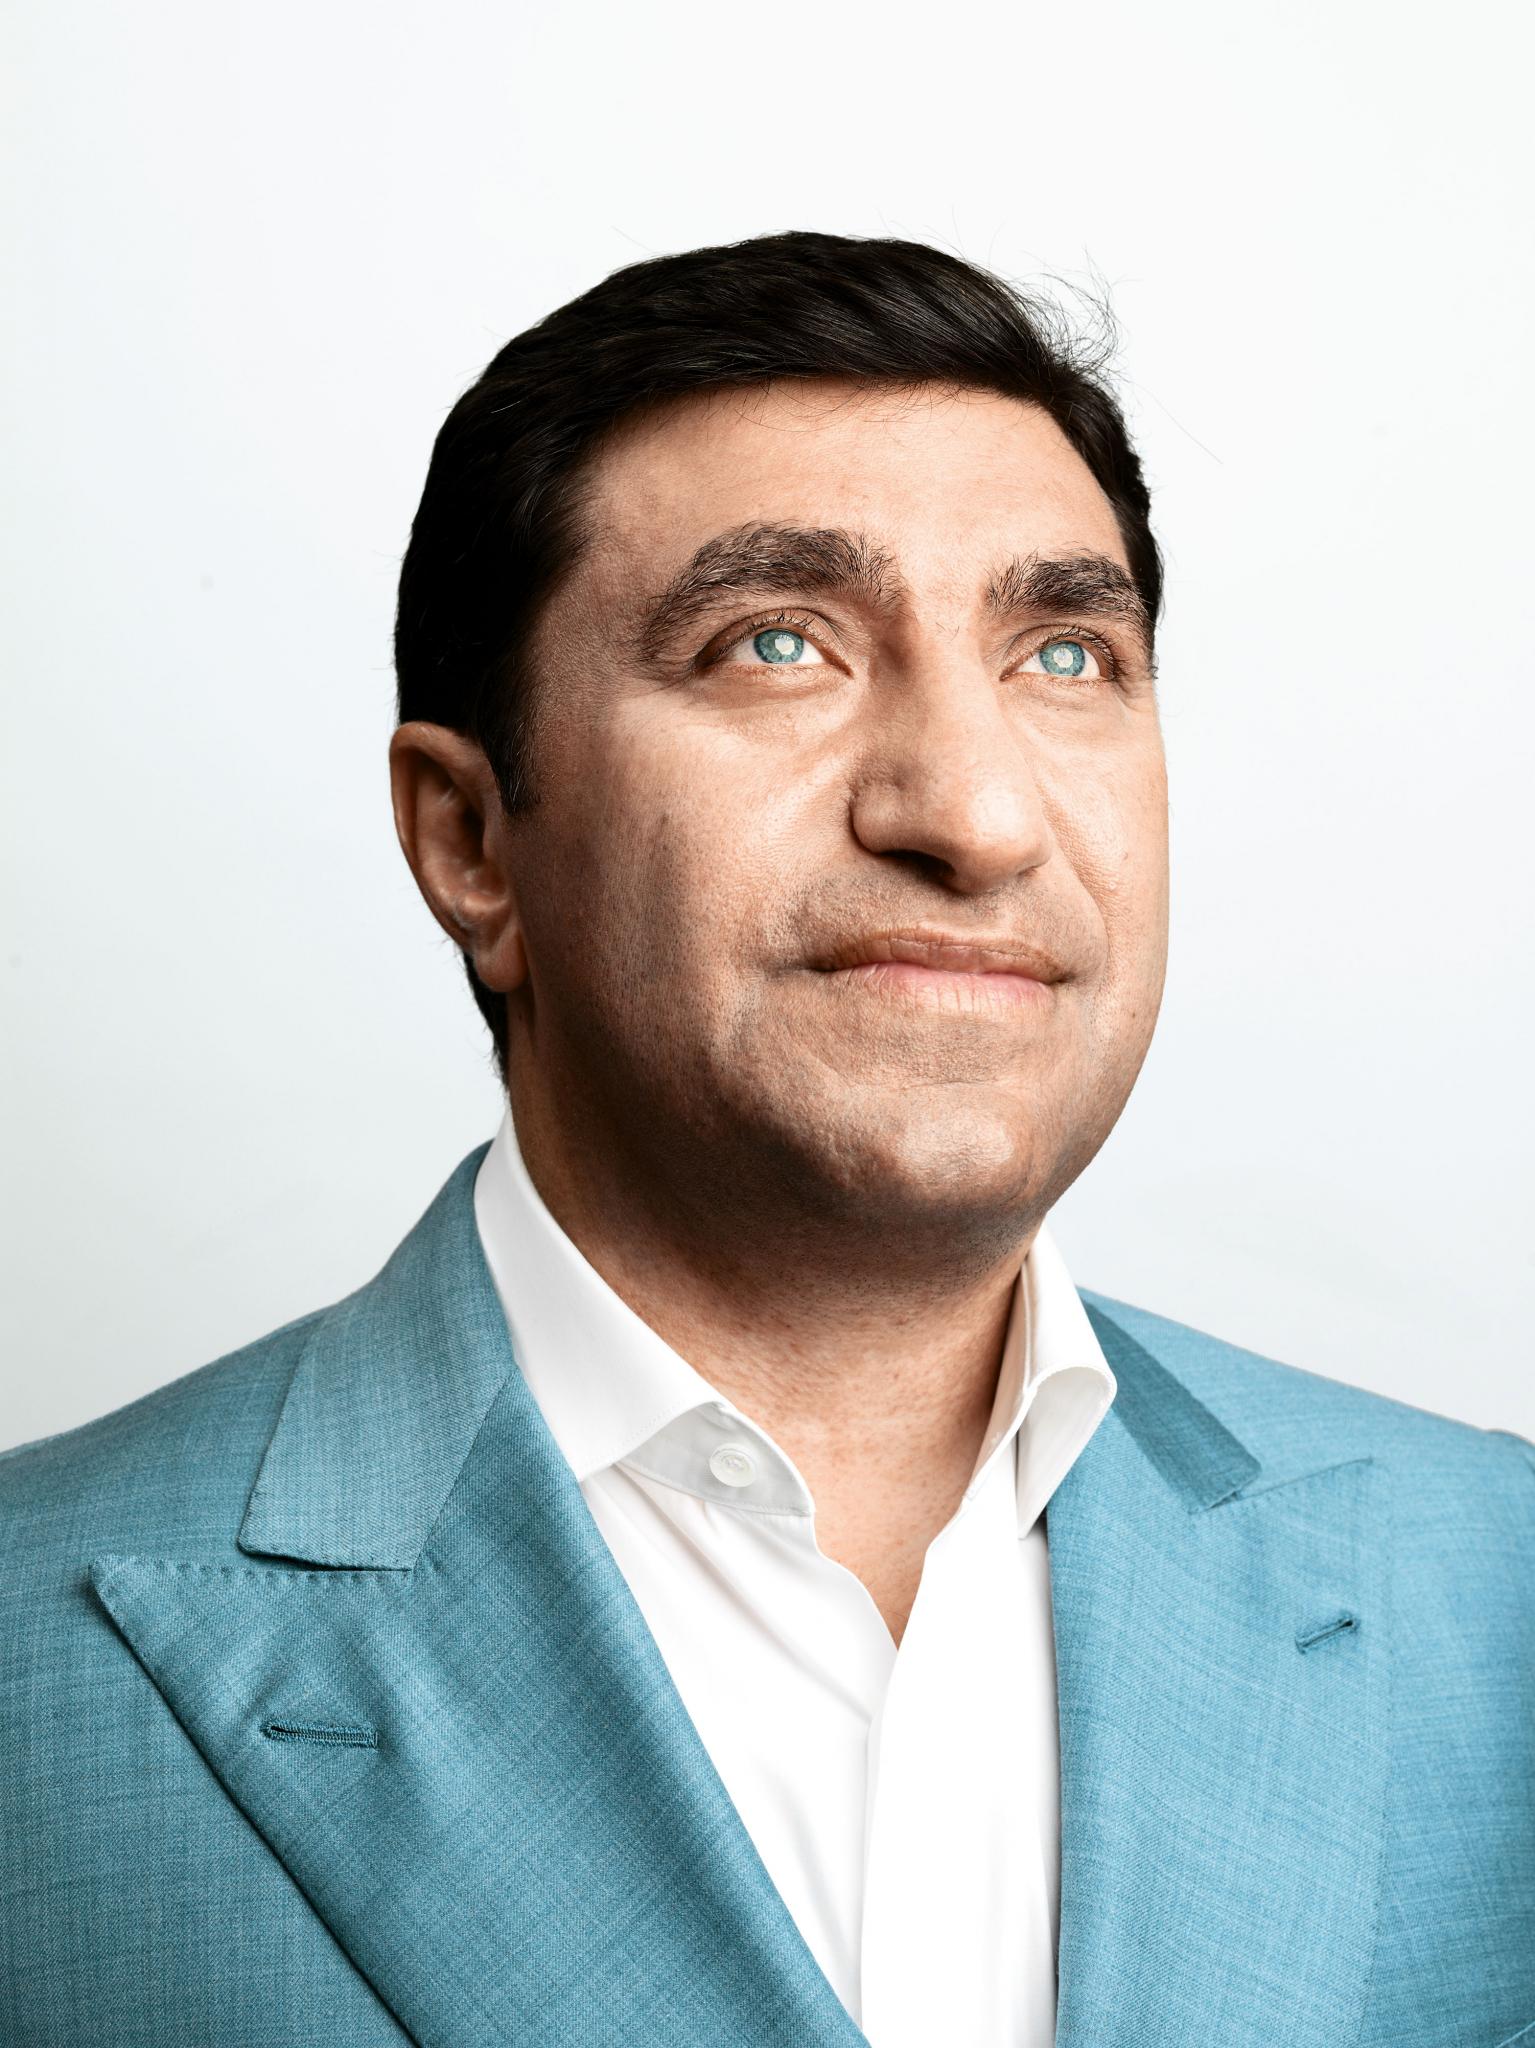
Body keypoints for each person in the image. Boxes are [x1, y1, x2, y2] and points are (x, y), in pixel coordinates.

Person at [2, 232, 1531, 2048]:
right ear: (471, 842)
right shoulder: (30, 1656)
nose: (976, 812)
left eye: (1064, 652)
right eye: (778, 644)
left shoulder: (1496, 1582)